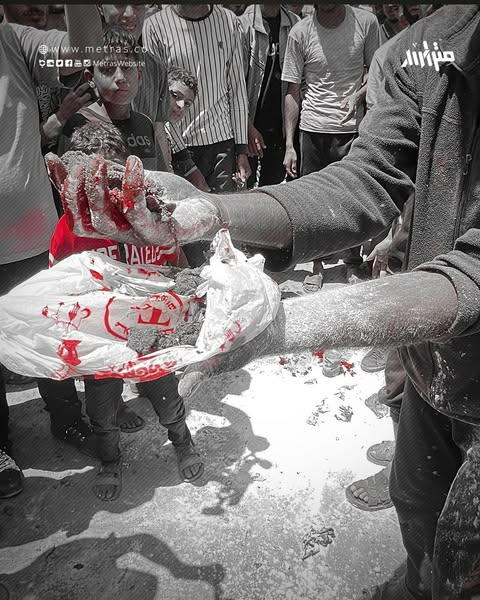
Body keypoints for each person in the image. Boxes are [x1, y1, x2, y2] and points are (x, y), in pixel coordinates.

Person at [55, 4, 480, 598]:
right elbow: (364, 181)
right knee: (415, 500)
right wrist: (210, 211)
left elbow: (469, 274)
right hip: (433, 364)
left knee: (465, 559)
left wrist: (275, 326)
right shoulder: (430, 45)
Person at [51, 121, 204, 502]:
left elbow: (175, 265)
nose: (104, 190)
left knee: (168, 401)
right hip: (101, 340)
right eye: (93, 181)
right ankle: (110, 460)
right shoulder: (71, 228)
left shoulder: (147, 218)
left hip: (150, 333)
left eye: (112, 177)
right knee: (101, 412)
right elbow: (58, 287)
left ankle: (182, 441)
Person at [0, 5, 103, 499]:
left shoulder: (13, 40)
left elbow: (82, 51)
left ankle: (67, 418)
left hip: (32, 233)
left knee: (49, 331)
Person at [281, 3, 382, 292]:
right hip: (313, 128)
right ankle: (317, 264)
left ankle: (352, 261)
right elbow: (292, 90)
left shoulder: (366, 23)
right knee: (313, 202)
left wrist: (359, 95)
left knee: (352, 197)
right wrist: (289, 145)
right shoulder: (300, 32)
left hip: (351, 128)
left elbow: (378, 74)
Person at [143, 4, 251, 194]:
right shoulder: (155, 25)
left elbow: (237, 88)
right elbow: (156, 99)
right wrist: (186, 162)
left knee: (225, 210)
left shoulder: (229, 22)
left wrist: (241, 150)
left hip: (222, 144)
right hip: (179, 146)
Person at [97, 3, 171, 173]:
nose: (129, 14)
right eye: (120, 4)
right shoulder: (78, 65)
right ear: (100, 6)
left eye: (138, 4)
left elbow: (158, 130)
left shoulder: (155, 66)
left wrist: (165, 178)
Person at [239, 4, 299, 187]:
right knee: (244, 190)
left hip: (280, 128)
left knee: (272, 190)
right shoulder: (243, 25)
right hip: (249, 124)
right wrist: (247, 126)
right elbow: (234, 84)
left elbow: (298, 83)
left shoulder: (294, 24)